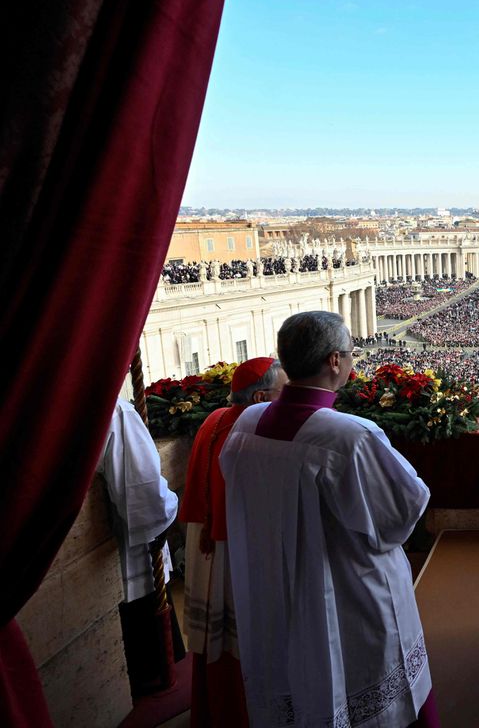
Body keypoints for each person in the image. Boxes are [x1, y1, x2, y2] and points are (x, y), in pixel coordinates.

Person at [220, 311, 438, 727]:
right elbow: (401, 512)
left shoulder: (248, 424)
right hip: (348, 594)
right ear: (335, 362)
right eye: (352, 354)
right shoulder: (350, 436)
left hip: (275, 587)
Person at [178, 357, 284, 727]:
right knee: (243, 643)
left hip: (207, 543)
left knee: (216, 640)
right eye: (282, 392)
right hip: (234, 549)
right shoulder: (258, 431)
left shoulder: (214, 419)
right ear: (259, 397)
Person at [97, 397, 183, 696]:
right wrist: (174, 503)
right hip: (135, 568)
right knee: (154, 687)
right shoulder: (114, 409)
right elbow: (148, 500)